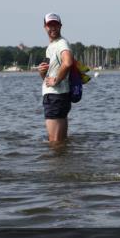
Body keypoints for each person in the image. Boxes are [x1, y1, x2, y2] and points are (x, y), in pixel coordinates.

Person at [37, 13, 74, 143]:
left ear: (60, 26)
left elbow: (68, 62)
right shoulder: (52, 46)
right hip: (59, 97)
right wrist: (42, 72)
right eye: (49, 25)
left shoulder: (61, 44)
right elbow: (48, 76)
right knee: (61, 141)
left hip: (55, 97)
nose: (52, 27)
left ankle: (56, 157)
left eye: (55, 24)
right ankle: (64, 157)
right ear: (45, 27)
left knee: (54, 142)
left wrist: (56, 80)